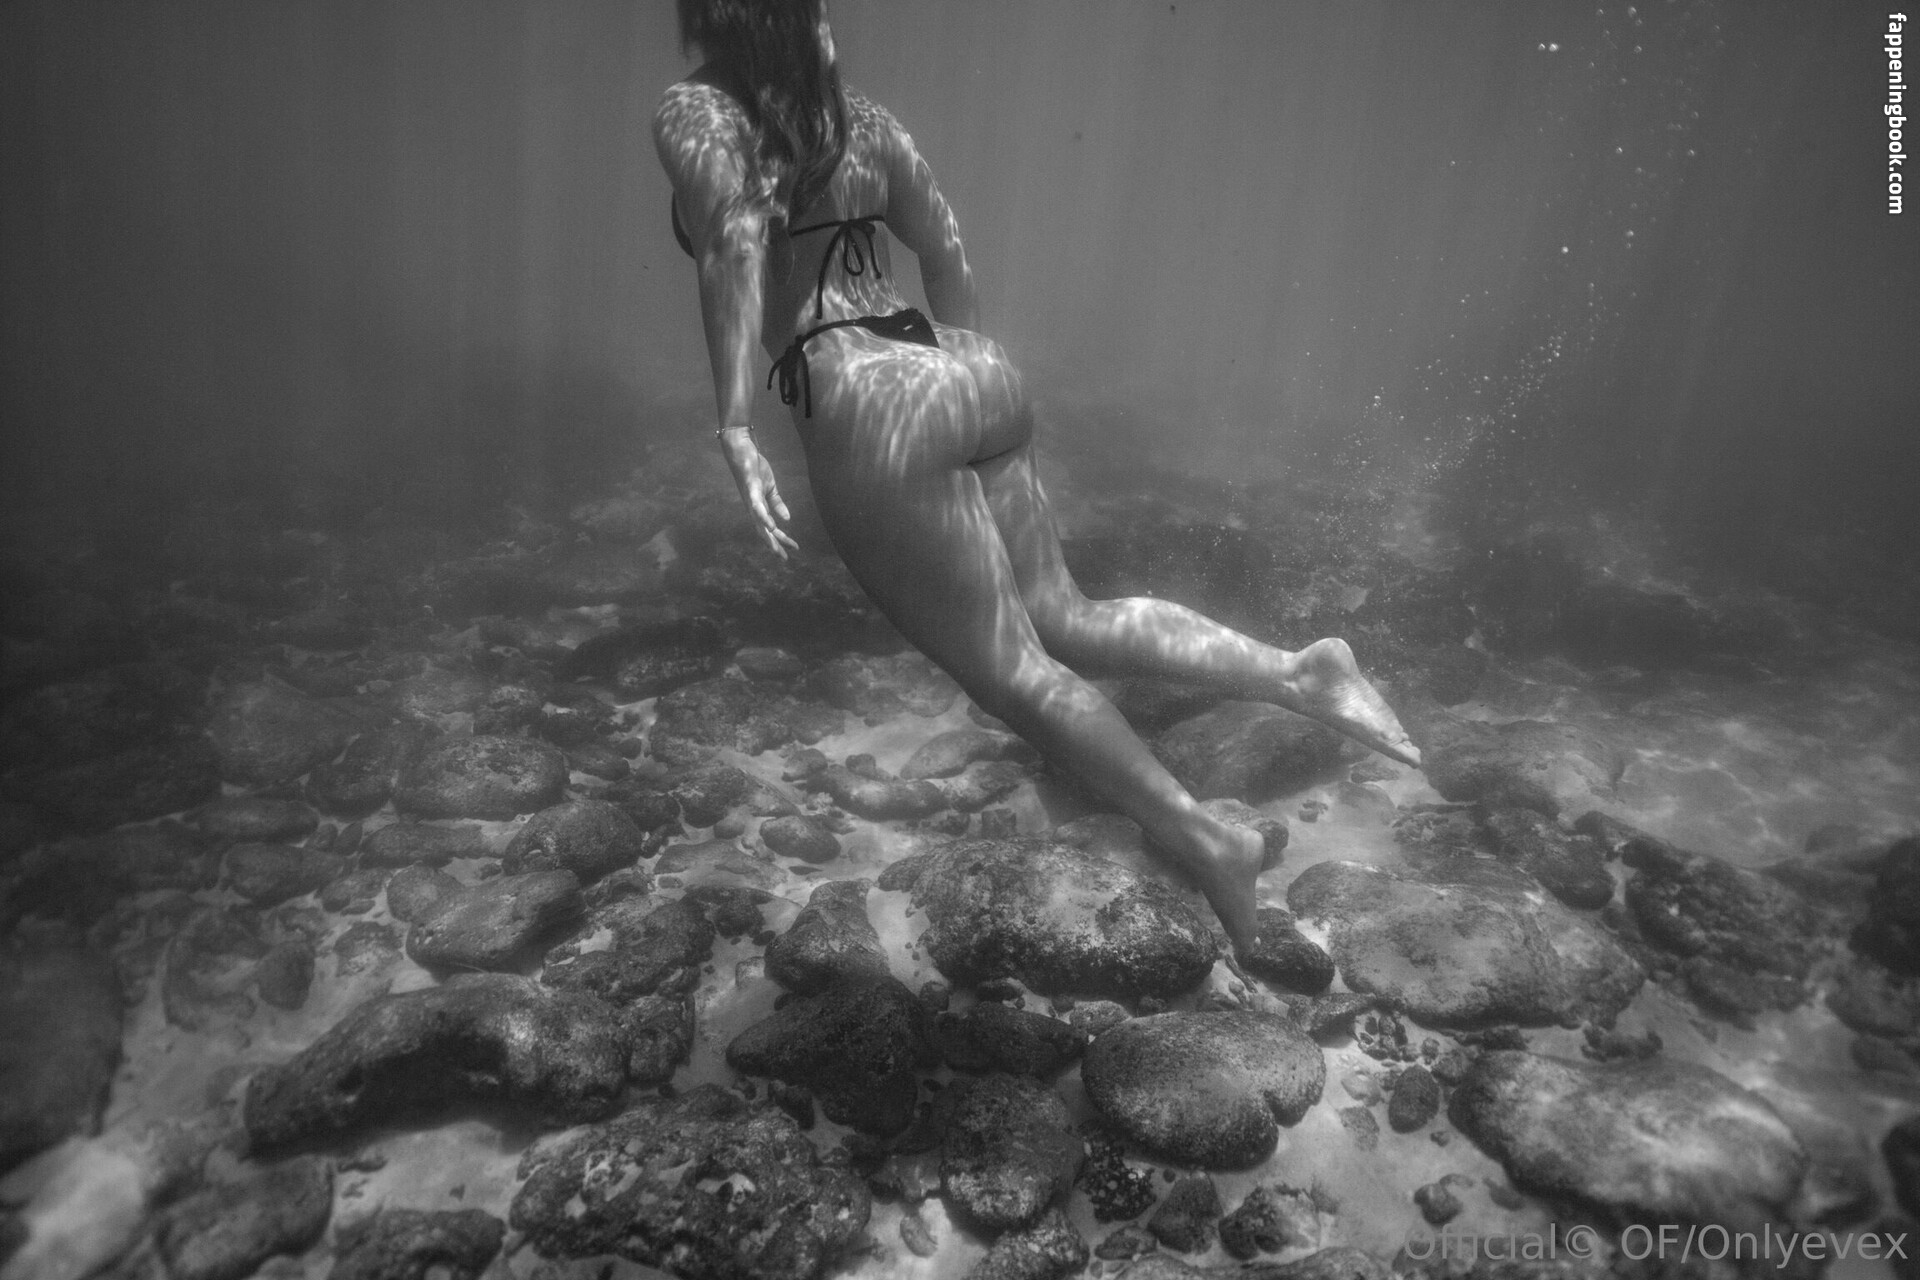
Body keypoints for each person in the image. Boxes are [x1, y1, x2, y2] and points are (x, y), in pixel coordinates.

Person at [655, 0, 1420, 955]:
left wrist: (736, 423)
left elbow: (733, 246)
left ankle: (1210, 841)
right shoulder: (866, 122)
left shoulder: (695, 114)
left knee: (1014, 674)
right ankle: (1300, 673)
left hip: (863, 397)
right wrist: (957, 384)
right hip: (968, 366)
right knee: (1066, 617)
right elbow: (943, 250)